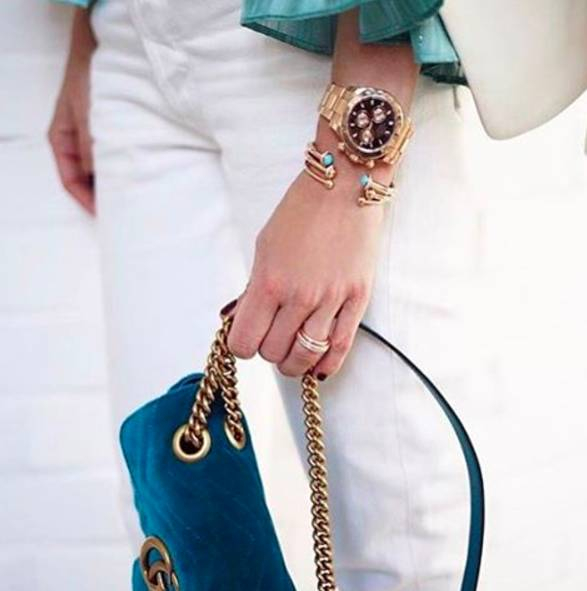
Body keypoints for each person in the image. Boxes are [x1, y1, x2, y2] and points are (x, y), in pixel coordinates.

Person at [49, 0, 489, 588]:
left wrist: (349, 170)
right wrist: (87, 38)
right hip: (127, 48)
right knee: (178, 524)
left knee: (395, 541)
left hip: (313, 41)